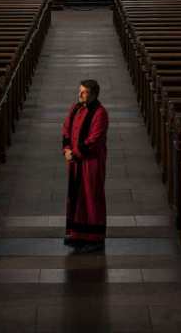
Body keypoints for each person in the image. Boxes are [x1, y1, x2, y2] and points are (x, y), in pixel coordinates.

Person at [61, 79, 108, 253]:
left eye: (85, 92)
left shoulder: (100, 113)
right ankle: (77, 235)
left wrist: (75, 153)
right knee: (76, 198)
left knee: (91, 197)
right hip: (75, 162)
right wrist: (66, 149)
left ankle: (94, 238)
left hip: (91, 162)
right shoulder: (75, 108)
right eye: (80, 90)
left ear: (94, 94)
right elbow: (66, 128)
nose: (80, 94)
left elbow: (94, 139)